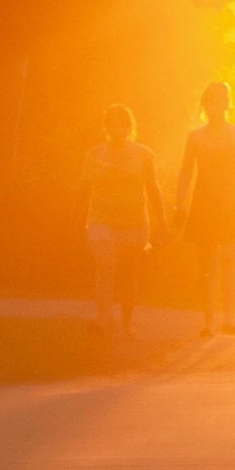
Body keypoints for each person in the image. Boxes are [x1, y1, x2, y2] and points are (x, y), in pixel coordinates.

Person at [175, 81, 235, 337]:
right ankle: (208, 321)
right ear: (205, 105)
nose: (216, 106)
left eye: (220, 101)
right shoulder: (196, 137)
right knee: (205, 264)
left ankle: (230, 318)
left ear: (227, 104)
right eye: (210, 102)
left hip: (233, 203)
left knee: (230, 258)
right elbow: (185, 173)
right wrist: (180, 205)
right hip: (204, 204)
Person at [76, 104, 165, 337]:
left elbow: (153, 189)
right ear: (106, 127)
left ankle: (127, 324)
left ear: (130, 126)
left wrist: (162, 222)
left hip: (134, 221)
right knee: (106, 267)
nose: (118, 128)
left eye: (123, 123)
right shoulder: (93, 156)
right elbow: (83, 190)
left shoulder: (144, 155)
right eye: (113, 123)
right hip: (100, 219)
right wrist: (75, 221)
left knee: (128, 274)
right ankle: (102, 321)